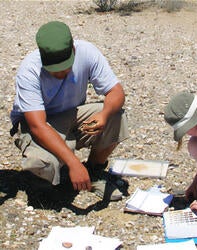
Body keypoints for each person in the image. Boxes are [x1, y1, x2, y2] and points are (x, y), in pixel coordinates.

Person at [10, 21, 129, 201]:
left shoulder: (87, 52)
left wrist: (104, 115)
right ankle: (54, 179)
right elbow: (37, 126)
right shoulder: (29, 70)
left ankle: (92, 172)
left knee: (115, 116)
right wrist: (73, 163)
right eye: (53, 70)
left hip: (72, 115)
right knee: (40, 165)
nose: (59, 74)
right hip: (42, 125)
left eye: (65, 67)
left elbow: (116, 92)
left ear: (73, 49)